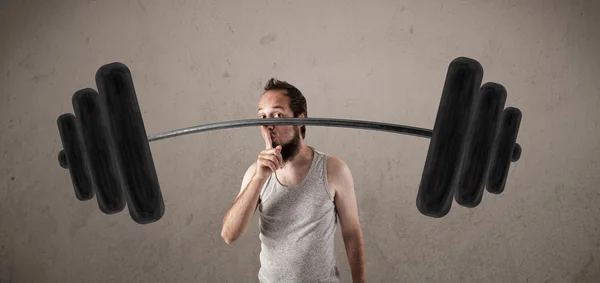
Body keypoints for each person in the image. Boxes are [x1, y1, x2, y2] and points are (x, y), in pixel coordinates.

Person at [220, 78, 367, 283]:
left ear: (300, 119)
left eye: (278, 115)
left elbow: (351, 231)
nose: (269, 125)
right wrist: (259, 178)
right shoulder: (255, 173)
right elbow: (229, 235)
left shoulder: (334, 170)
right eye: (263, 116)